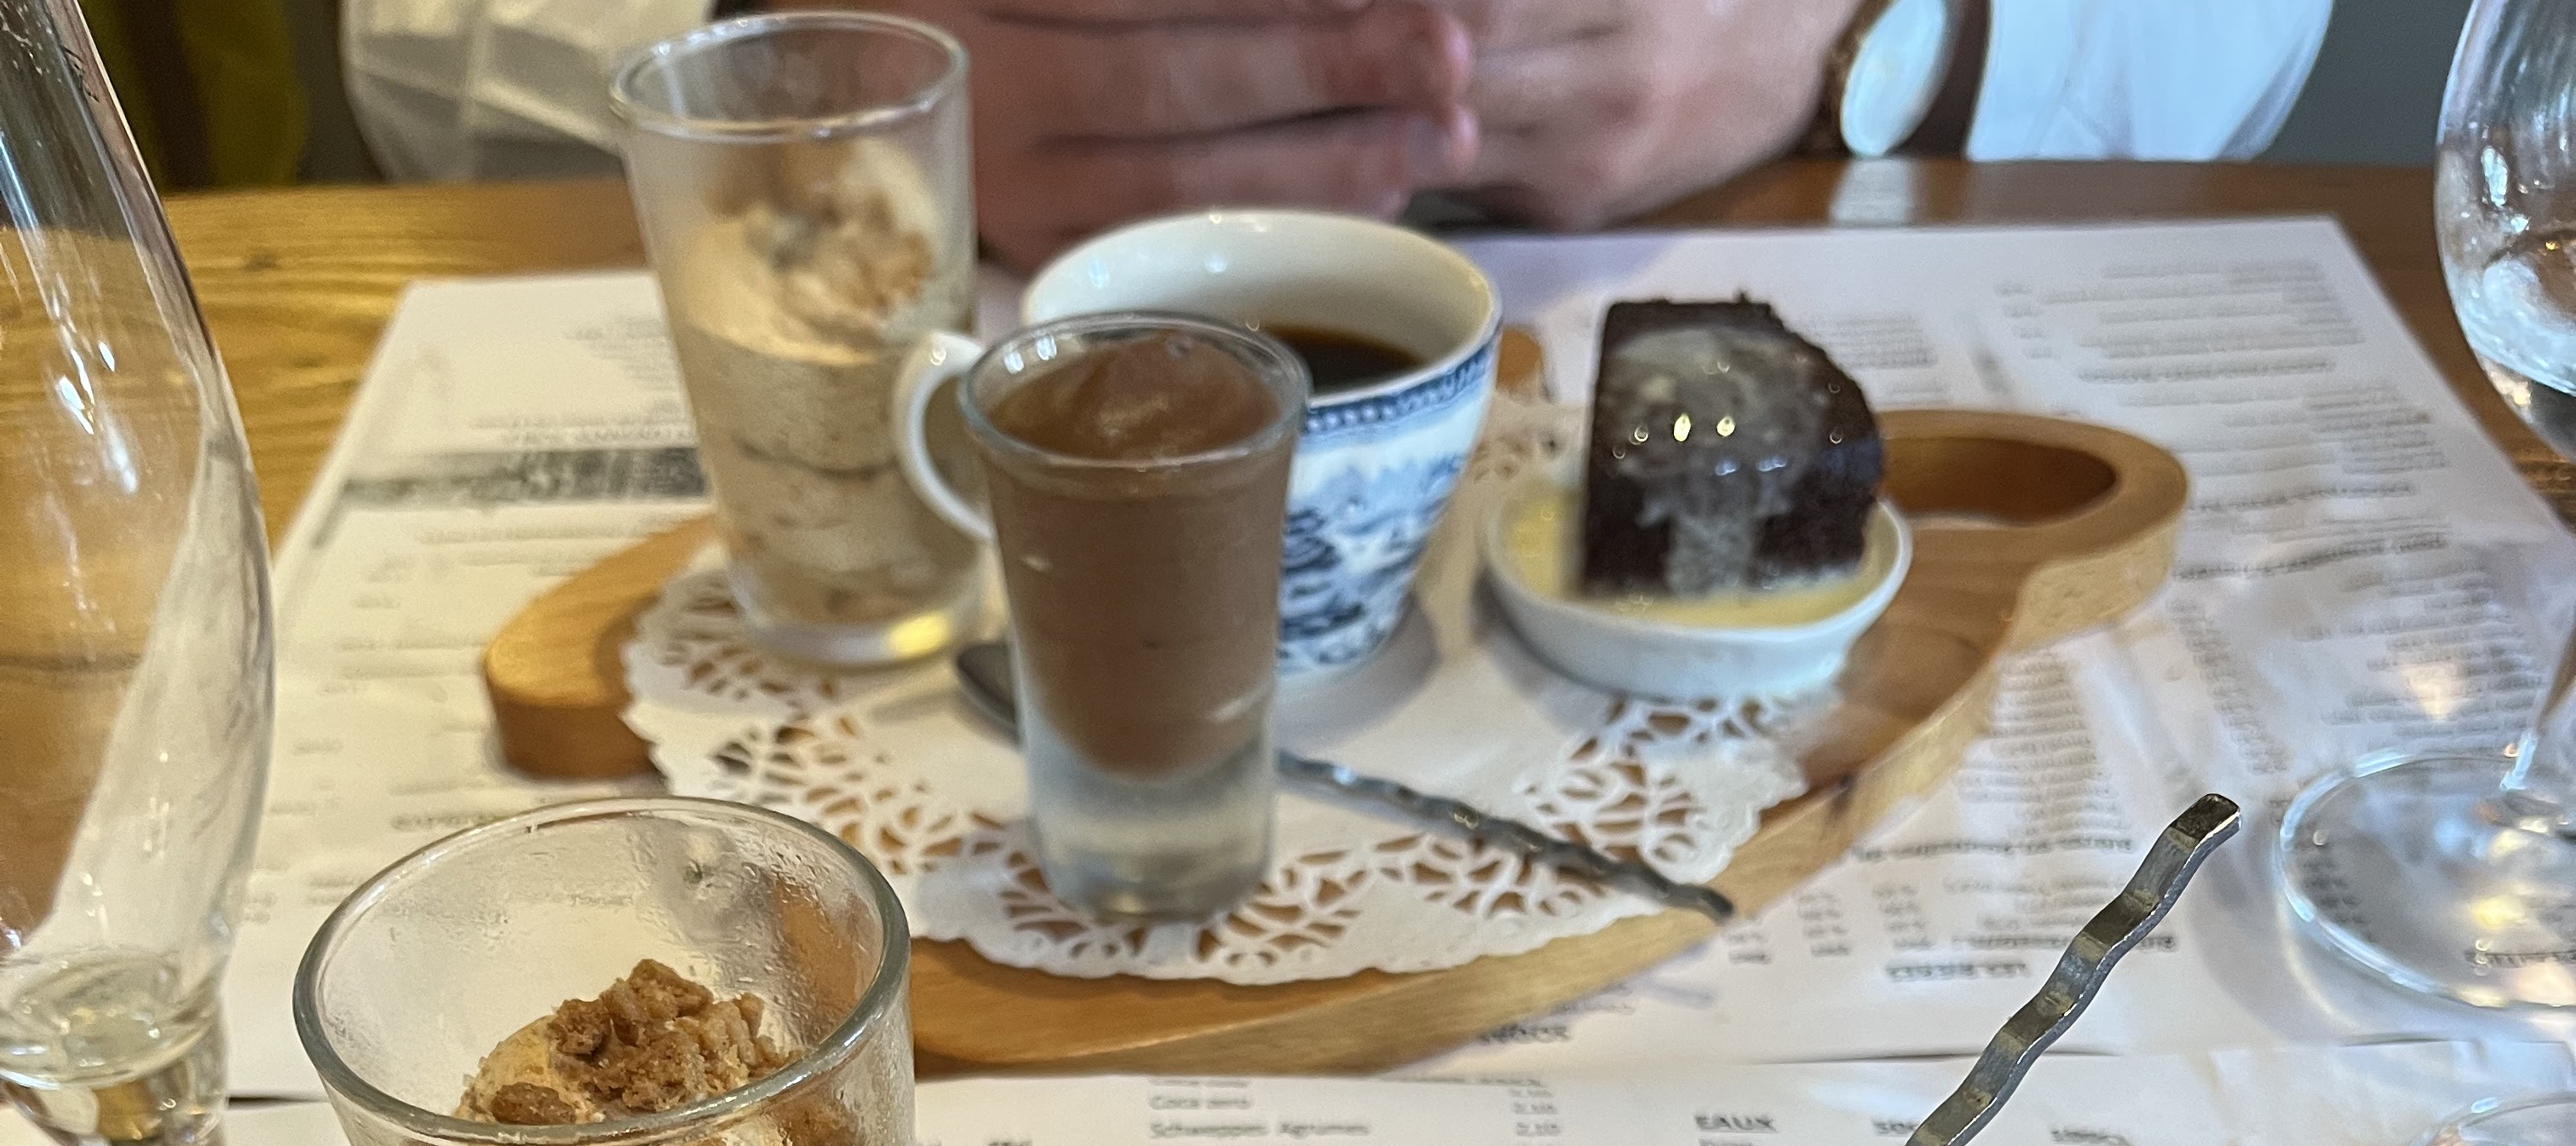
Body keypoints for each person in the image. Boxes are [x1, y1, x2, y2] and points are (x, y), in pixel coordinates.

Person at [342, 0, 2334, 269]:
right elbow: (407, 36)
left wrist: (1863, 40)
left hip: (1782, 260)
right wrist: (786, 56)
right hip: (887, 302)